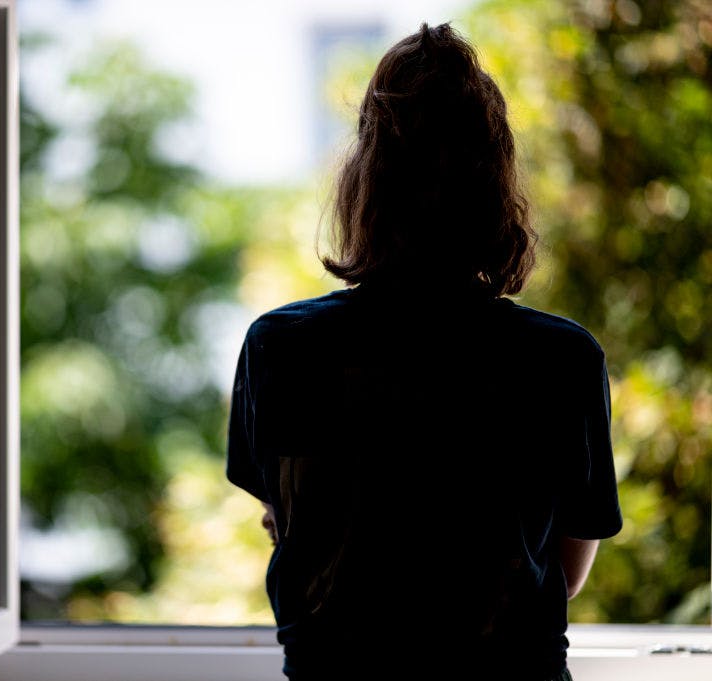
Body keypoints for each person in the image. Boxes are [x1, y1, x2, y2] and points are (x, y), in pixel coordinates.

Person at [226, 22, 622, 681]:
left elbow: (295, 526)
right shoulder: (563, 359)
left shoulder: (281, 348)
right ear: (496, 186)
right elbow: (565, 573)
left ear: (363, 182)